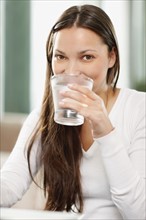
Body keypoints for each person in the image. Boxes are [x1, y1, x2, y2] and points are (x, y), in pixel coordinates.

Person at [0, 4, 145, 220]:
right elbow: (10, 184)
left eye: (87, 57)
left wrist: (106, 131)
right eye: (61, 57)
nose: (71, 72)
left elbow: (139, 212)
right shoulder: (44, 116)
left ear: (111, 57)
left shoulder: (139, 108)